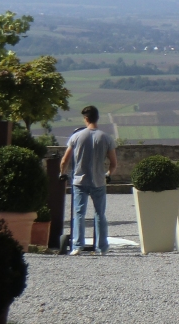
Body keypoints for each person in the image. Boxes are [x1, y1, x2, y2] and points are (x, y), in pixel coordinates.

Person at [60, 106, 117, 255]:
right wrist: (108, 174)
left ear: (86, 119)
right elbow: (114, 163)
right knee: (100, 214)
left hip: (80, 180)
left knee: (79, 213)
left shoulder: (76, 137)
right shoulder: (106, 138)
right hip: (99, 180)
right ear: (97, 118)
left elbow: (64, 160)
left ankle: (77, 246)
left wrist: (62, 173)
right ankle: (102, 247)